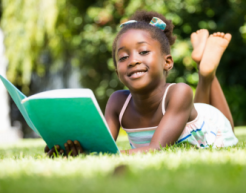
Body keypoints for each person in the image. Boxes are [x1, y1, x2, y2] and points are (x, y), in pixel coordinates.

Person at [45, 10, 238, 156]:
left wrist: (111, 156)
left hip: (210, 128)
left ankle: (206, 73)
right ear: (116, 69)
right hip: (187, 115)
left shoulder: (180, 92)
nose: (133, 60)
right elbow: (102, 147)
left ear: (167, 62)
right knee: (195, 108)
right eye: (123, 57)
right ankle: (203, 68)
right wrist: (71, 149)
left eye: (143, 52)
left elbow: (156, 148)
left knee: (225, 122)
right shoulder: (117, 102)